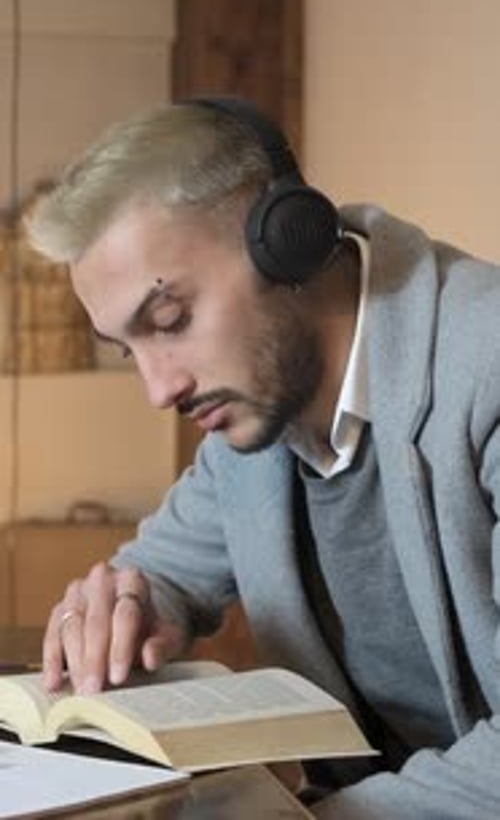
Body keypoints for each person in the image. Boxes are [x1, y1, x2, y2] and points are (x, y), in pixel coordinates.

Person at [28, 96, 500, 820]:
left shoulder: (488, 365)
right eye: (131, 351)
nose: (161, 389)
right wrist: (120, 607)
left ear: (290, 240)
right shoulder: (252, 427)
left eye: (170, 321)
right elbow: (156, 576)